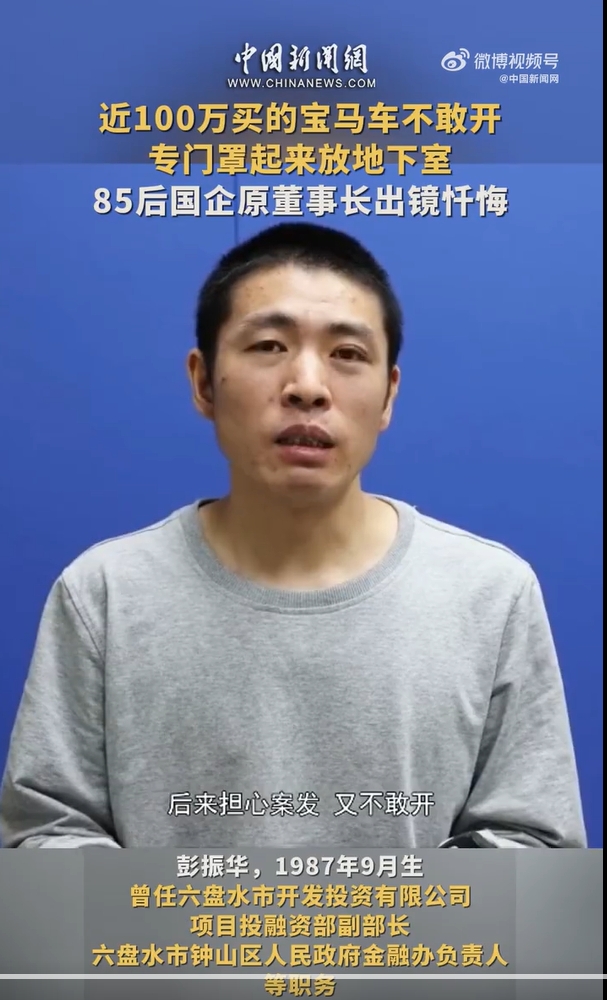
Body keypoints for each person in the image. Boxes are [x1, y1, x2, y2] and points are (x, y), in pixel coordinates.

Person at [0, 222, 586, 849]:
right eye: (269, 346)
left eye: (348, 354)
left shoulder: (491, 595)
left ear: (388, 394)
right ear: (203, 381)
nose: (307, 386)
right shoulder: (105, 593)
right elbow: (45, 832)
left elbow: (533, 842)